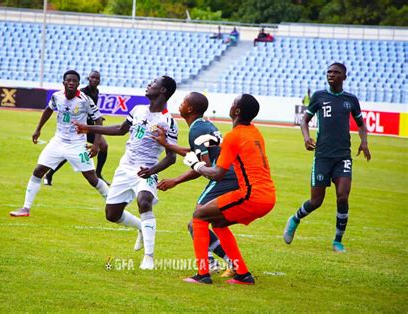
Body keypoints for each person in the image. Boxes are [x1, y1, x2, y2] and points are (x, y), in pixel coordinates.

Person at [73, 76, 178, 270]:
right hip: (124, 168)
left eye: (154, 83)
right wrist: (88, 127)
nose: (149, 84)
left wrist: (152, 171)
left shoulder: (168, 121)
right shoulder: (138, 109)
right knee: (112, 215)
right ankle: (140, 227)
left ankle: (149, 257)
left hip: (146, 169)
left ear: (163, 91)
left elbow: (171, 157)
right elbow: (121, 129)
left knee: (144, 201)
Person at [181, 94, 276, 285]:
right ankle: (243, 275)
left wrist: (196, 165)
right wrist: (214, 144)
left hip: (251, 195)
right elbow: (231, 149)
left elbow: (216, 173)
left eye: (233, 104)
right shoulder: (254, 132)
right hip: (268, 195)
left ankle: (203, 274)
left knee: (199, 215)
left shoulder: (234, 135)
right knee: (218, 223)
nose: (231, 106)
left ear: (237, 111)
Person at [283, 63, 371, 253]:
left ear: (344, 77)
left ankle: (338, 241)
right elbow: (304, 120)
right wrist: (306, 137)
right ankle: (295, 219)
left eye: (336, 72)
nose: (331, 75)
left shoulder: (351, 100)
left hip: (343, 156)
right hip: (322, 156)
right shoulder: (319, 96)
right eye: (329, 72)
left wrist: (364, 142)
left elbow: (361, 125)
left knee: (342, 196)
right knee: (316, 201)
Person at [152, 92, 239, 277]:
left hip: (225, 177)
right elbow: (195, 153)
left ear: (189, 109)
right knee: (211, 221)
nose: (180, 104)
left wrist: (175, 180)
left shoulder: (196, 130)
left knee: (196, 221)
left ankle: (211, 266)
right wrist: (166, 144)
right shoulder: (203, 124)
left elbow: (204, 166)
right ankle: (228, 263)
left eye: (183, 102)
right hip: (232, 174)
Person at [10, 70, 109, 217]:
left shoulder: (85, 100)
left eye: (74, 81)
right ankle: (26, 208)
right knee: (38, 171)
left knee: (92, 178)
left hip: (77, 145)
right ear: (63, 82)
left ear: (78, 84)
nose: (71, 83)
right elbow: (48, 110)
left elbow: (99, 119)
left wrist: (96, 144)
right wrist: (38, 129)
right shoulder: (57, 96)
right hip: (57, 142)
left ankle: (114, 203)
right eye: (68, 80)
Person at [44, 70, 110, 186]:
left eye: (97, 78)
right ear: (88, 79)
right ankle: (49, 174)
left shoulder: (96, 92)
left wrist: (96, 117)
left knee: (103, 146)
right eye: (92, 78)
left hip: (89, 127)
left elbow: (90, 110)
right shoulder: (82, 92)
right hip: (78, 128)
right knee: (68, 153)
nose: (94, 80)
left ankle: (98, 174)